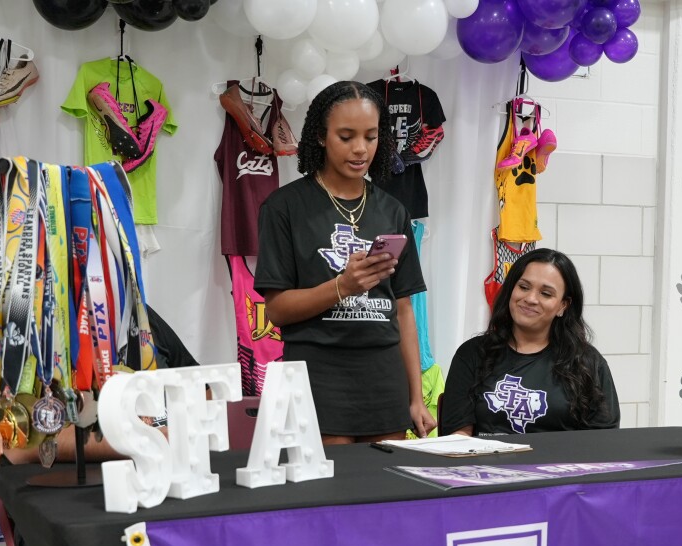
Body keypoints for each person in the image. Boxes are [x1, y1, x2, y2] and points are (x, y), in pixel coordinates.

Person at [255, 81, 433, 444]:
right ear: (321, 137)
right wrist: (343, 286)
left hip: (384, 380)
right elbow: (277, 310)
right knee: (331, 495)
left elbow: (402, 309)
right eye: (346, 136)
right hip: (318, 375)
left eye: (370, 137)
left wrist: (415, 398)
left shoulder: (393, 210)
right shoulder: (285, 207)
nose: (360, 149)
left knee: (386, 493)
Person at [441, 248, 620, 436]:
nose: (531, 299)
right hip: (486, 464)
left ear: (563, 305)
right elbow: (457, 437)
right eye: (524, 287)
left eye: (546, 293)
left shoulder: (587, 362)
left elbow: (602, 441)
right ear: (511, 289)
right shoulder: (472, 354)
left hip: (558, 464)